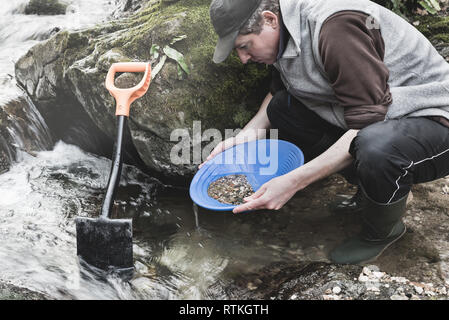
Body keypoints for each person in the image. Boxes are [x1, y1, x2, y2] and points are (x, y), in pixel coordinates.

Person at [202, 0, 449, 264]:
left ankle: (383, 231)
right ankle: (371, 192)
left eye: (244, 46)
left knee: (375, 147)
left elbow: (368, 122)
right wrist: (244, 137)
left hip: (434, 116)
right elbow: (278, 91)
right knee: (282, 109)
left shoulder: (336, 28)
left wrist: (293, 182)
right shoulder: (282, 29)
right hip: (379, 113)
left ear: (269, 20)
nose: (243, 59)